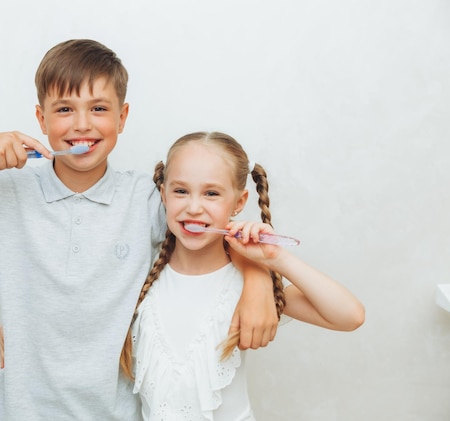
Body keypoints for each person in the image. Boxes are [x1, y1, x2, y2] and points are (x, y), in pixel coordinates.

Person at [0, 40, 279, 420]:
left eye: (99, 109)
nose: (82, 125)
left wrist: (258, 281)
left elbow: (213, 235)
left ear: (122, 118)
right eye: (65, 109)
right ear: (41, 119)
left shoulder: (147, 199)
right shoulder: (3, 195)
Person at [120, 131, 365, 420]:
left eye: (211, 193)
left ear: (239, 202)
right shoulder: (141, 268)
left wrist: (276, 258)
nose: (194, 207)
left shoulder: (245, 283)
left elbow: (350, 316)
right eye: (181, 191)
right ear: (163, 194)